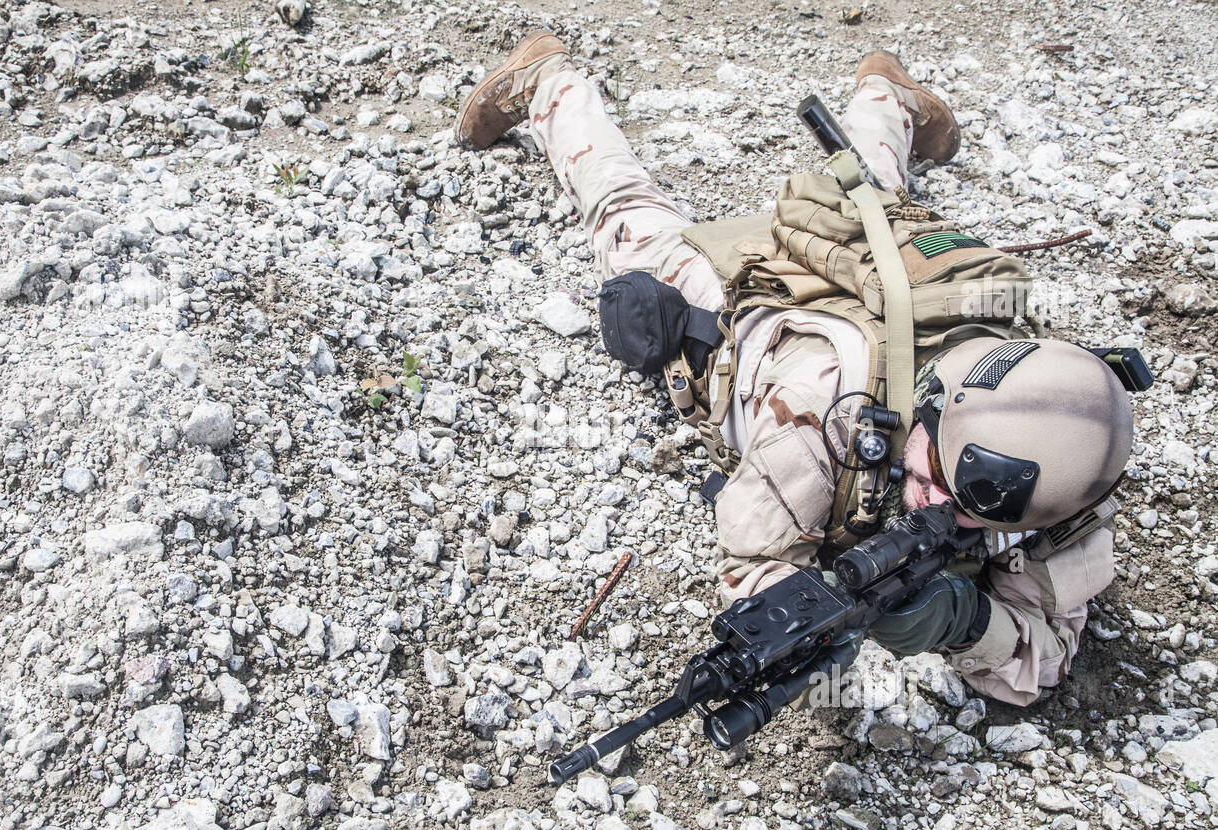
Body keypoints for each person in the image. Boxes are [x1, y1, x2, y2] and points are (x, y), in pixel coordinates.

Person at [454, 33, 1139, 706]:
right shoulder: (823, 408)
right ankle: (548, 80)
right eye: (933, 475)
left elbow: (1047, 659)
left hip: (885, 286)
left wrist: (966, 623)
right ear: (935, 402)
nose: (934, 508)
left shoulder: (1070, 462)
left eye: (966, 509)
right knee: (625, 213)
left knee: (871, 192)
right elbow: (752, 568)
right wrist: (823, 624)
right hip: (740, 301)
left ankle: (886, 95)